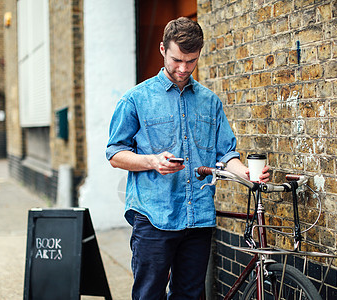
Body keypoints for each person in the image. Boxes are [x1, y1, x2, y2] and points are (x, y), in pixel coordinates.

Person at [106, 17, 270, 300]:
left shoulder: (210, 102)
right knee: (148, 295)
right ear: (162, 50)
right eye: (177, 60)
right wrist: (153, 161)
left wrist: (245, 173)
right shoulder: (135, 99)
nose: (183, 69)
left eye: (191, 61)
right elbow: (115, 154)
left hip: (198, 219)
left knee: (190, 295)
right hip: (153, 216)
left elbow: (226, 153)